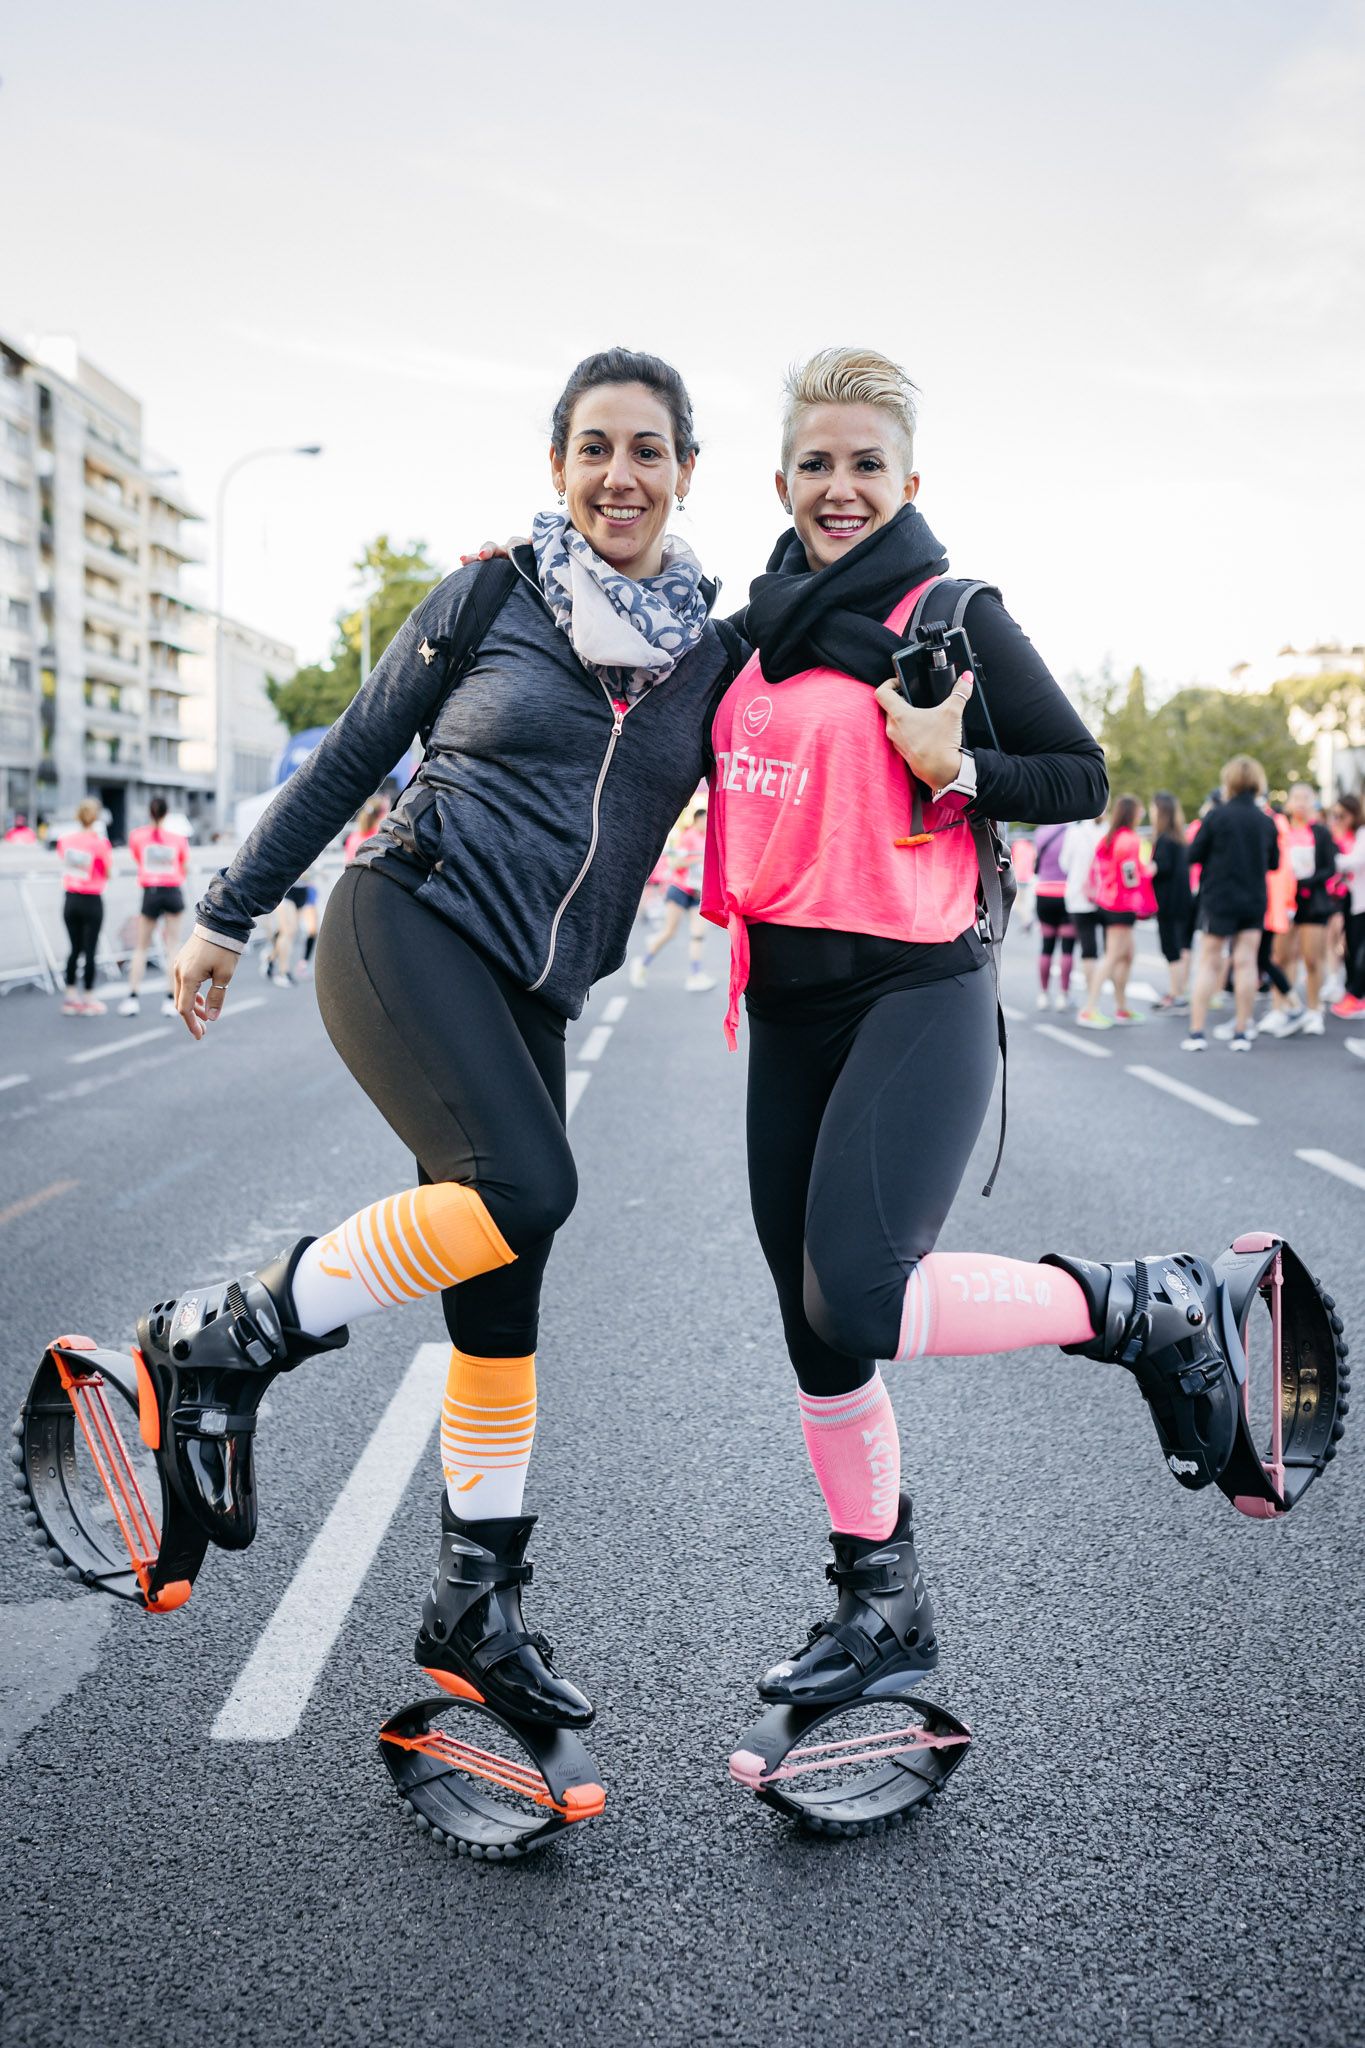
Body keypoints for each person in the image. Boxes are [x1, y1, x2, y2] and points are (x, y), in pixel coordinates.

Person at [144, 349, 738, 1728]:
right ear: (558, 468)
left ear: (686, 472)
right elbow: (352, 758)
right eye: (594, 448)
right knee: (528, 1188)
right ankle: (226, 1337)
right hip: (403, 922)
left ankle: (476, 1603)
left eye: (647, 449)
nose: (620, 475)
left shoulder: (712, 657)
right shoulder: (489, 595)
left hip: (534, 989)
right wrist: (227, 915)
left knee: (505, 1279)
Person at [701, 347, 1258, 1711]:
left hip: (913, 984)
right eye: (817, 465)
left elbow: (1077, 771)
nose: (841, 489)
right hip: (787, 997)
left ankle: (1149, 1306)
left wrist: (958, 768)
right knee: (811, 1326)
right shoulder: (753, 626)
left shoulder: (944, 611)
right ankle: (879, 1605)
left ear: (906, 482)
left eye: (866, 467)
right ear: (781, 480)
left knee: (867, 1296)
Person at [1180, 756, 1279, 1053]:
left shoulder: (1216, 817)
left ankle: (1197, 1033)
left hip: (1218, 898)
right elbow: (1273, 863)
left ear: (1229, 782)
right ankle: (1240, 1032)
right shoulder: (1266, 821)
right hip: (1253, 898)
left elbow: (1192, 855)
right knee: (1247, 962)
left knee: (1209, 961)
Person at [1079, 795, 1153, 1025]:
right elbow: (1129, 874)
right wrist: (1148, 872)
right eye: (1140, 812)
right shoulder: (1130, 840)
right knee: (1113, 956)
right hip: (1122, 904)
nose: (1142, 816)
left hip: (1107, 901)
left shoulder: (1109, 838)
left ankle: (1121, 1007)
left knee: (1127, 954)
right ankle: (1090, 1008)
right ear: (1131, 814)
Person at [628, 799, 715, 991]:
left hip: (697, 892)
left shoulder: (706, 838)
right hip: (680, 890)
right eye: (706, 819)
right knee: (669, 932)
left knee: (698, 934)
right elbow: (676, 864)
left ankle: (695, 974)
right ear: (698, 819)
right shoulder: (688, 836)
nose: (709, 822)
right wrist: (698, 858)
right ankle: (642, 963)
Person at [119, 796, 190, 1017]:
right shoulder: (178, 839)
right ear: (166, 813)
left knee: (141, 947)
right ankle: (171, 999)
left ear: (150, 813)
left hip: (151, 892)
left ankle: (132, 997)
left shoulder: (137, 836)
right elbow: (184, 865)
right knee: (173, 946)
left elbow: (138, 859)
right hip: (172, 891)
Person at [1278, 782, 1336, 1035]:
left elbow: (1329, 867)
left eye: (1306, 798)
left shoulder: (1321, 833)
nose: (1300, 803)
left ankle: (1314, 1009)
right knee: (1281, 957)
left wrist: (1306, 880)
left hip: (1313, 902)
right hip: (1285, 902)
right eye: (1296, 798)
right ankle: (1283, 1008)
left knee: (1312, 958)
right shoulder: (1282, 830)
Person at [56, 798, 112, 1015]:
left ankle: (70, 996)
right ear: (96, 817)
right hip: (91, 899)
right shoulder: (100, 843)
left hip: (70, 898)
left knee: (74, 949)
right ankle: (88, 997)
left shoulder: (66, 840)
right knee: (90, 950)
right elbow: (106, 871)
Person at [1060, 810, 1106, 1027]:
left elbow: (1065, 863)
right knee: (1111, 951)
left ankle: (1091, 1000)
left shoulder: (1074, 832)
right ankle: (1112, 1003)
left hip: (1078, 896)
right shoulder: (1107, 832)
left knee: (1089, 949)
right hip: (1105, 897)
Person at [1150, 791, 1193, 1010]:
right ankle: (1180, 991)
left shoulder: (1164, 840)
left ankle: (1175, 994)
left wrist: (1139, 870)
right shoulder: (1179, 838)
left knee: (1171, 949)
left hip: (1167, 901)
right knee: (1182, 946)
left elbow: (1159, 868)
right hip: (1183, 899)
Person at [1032, 819, 1076, 1010]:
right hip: (1066, 893)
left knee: (1046, 946)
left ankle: (1043, 995)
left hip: (1043, 893)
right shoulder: (1072, 833)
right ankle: (1063, 996)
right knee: (1067, 948)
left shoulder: (1041, 831)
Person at [1331, 793, 1365, 1018]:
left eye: (1340, 815)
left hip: (1361, 901)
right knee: (1352, 947)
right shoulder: (1351, 834)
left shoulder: (1361, 834)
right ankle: (1352, 992)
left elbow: (1355, 860)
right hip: (1353, 899)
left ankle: (1357, 995)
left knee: (1360, 948)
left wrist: (1329, 859)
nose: (1337, 819)